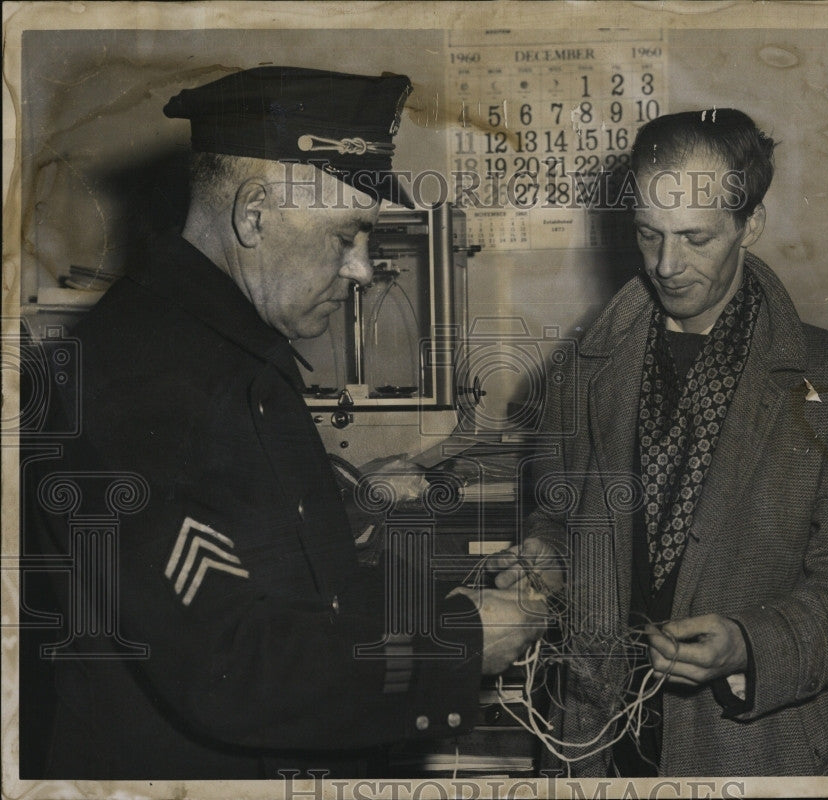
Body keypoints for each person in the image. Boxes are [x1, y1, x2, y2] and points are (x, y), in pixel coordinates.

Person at [22, 66, 546, 779]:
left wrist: (456, 599)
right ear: (254, 214)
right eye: (346, 237)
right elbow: (232, 666)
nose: (364, 271)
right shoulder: (132, 376)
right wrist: (460, 642)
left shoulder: (230, 351)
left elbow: (307, 589)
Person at [501, 109, 828, 776]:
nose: (667, 265)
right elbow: (559, 511)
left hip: (756, 750)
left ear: (752, 225)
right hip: (598, 749)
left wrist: (751, 643)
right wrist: (543, 557)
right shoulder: (582, 369)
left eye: (695, 238)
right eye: (648, 235)